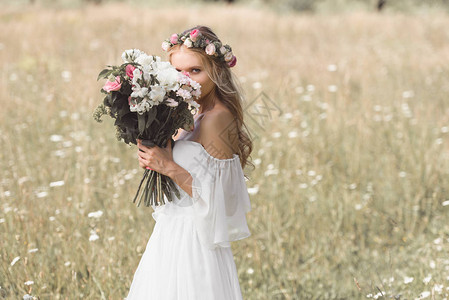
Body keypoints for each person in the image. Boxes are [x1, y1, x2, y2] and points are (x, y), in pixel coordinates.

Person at [125, 25, 254, 300]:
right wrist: (153, 153)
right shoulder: (190, 111)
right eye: (179, 72)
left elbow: (220, 199)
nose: (187, 80)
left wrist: (168, 167)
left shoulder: (218, 117)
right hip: (170, 235)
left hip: (195, 243)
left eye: (196, 71)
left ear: (217, 71)